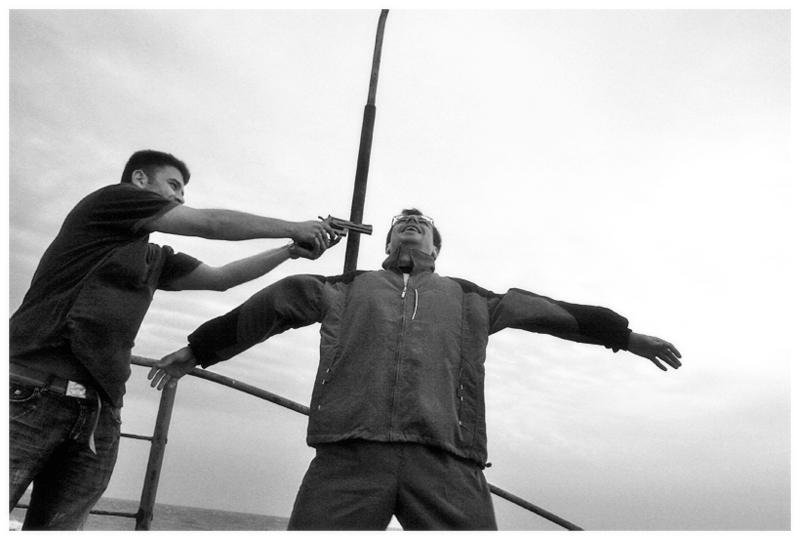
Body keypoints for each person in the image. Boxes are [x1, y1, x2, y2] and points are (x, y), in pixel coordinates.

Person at [149, 208, 682, 531]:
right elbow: (273, 305)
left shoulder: (473, 300)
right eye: (402, 223)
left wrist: (624, 336)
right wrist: (197, 350)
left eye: (422, 224)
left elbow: (551, 313)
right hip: (348, 456)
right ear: (387, 243)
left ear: (435, 247)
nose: (410, 223)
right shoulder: (343, 289)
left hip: (447, 461)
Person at [9, 149, 340, 530]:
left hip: (99, 412)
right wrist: (293, 227)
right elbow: (209, 223)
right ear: (139, 180)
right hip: (31, 388)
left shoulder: (155, 258)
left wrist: (289, 251)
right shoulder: (110, 201)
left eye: (183, 191)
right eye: (173, 185)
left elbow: (221, 278)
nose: (181, 197)